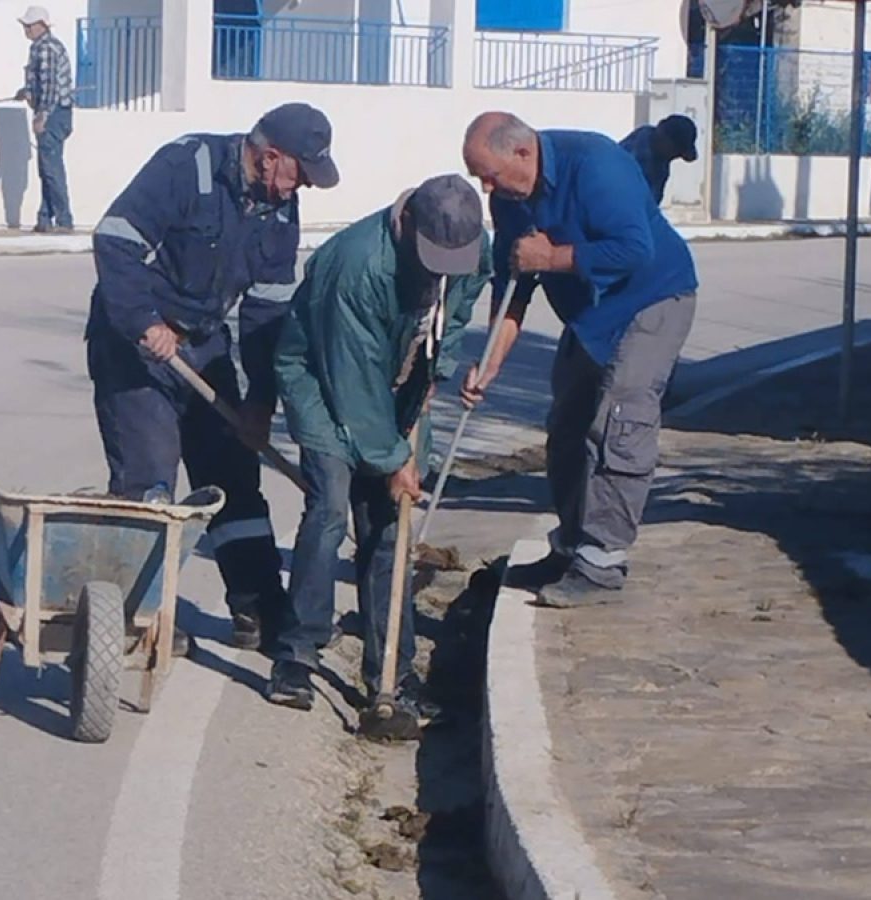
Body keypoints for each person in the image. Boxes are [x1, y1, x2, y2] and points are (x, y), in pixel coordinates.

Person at [87, 103, 339, 652]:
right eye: (300, 173)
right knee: (150, 483)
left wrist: (259, 402)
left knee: (232, 479)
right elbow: (115, 240)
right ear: (270, 157)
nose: (302, 187)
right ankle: (139, 615)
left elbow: (267, 314)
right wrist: (144, 322)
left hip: (203, 343)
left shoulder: (279, 210)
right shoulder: (187, 166)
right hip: (134, 344)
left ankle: (258, 607)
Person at [265, 174, 491, 733]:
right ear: (407, 222)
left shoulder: (468, 246)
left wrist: (434, 374)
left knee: (390, 527)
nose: (442, 270)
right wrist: (393, 460)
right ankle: (297, 654)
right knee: (329, 510)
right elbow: (353, 381)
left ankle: (391, 670)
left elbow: (457, 311)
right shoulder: (357, 267)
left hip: (398, 382)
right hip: (323, 382)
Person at [462, 112, 698, 608]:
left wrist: (551, 258)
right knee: (567, 424)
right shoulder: (509, 200)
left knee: (621, 418)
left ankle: (602, 562)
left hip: (654, 298)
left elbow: (634, 249)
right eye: (479, 177)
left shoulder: (596, 164)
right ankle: (570, 547)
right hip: (590, 318)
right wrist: (490, 363)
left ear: (522, 152)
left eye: (490, 175)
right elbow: (513, 287)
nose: (486, 188)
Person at [15, 6, 75, 233]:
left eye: (29, 25)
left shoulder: (46, 48)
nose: (26, 30)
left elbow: (50, 86)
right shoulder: (39, 47)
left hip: (54, 114)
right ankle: (45, 218)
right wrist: (27, 91)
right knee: (46, 168)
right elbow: (41, 81)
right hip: (56, 112)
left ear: (41, 25)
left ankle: (64, 220)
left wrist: (42, 115)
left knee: (51, 169)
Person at [618, 115, 698, 206]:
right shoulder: (640, 158)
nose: (675, 157)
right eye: (677, 151)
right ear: (664, 138)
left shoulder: (660, 161)